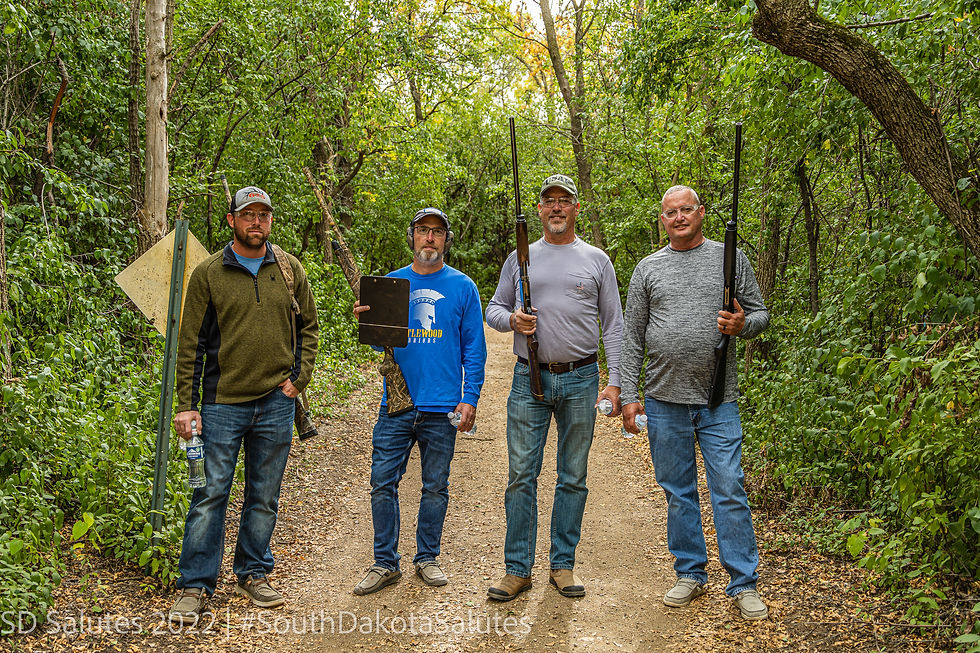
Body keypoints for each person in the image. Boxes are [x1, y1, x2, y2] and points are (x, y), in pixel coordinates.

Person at [168, 186, 319, 623]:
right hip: (221, 405)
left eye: (264, 215)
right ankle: (195, 584)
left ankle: (253, 572)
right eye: (248, 214)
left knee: (264, 495)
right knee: (209, 493)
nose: (257, 221)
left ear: (271, 220)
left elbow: (309, 328)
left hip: (276, 402)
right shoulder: (209, 273)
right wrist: (186, 404)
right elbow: (190, 344)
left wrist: (298, 379)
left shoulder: (289, 268)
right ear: (231, 219)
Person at [619, 185, 770, 620]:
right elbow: (631, 338)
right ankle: (690, 573)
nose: (679, 217)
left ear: (701, 213)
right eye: (671, 212)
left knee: (728, 487)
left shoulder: (729, 258)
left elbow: (760, 313)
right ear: (662, 220)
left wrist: (742, 324)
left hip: (717, 399)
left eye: (687, 210)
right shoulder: (648, 268)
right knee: (678, 492)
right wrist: (630, 396)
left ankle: (743, 582)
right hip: (663, 400)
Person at [485, 174, 623, 601]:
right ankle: (517, 569)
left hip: (582, 379)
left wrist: (614, 383)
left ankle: (562, 565)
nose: (557, 208)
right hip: (530, 378)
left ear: (576, 208)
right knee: (522, 475)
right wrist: (513, 321)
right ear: (540, 210)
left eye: (565, 201)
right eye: (550, 201)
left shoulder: (597, 260)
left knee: (573, 476)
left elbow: (615, 325)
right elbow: (494, 309)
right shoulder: (519, 258)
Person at [351, 208, 487, 595]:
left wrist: (469, 397)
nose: (430, 238)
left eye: (438, 232)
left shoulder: (463, 287)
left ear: (446, 240)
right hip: (397, 404)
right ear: (411, 237)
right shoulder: (390, 284)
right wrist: (366, 321)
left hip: (442, 407)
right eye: (423, 231)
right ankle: (384, 562)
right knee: (382, 483)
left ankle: (427, 558)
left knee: (435, 486)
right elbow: (381, 345)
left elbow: (474, 349)